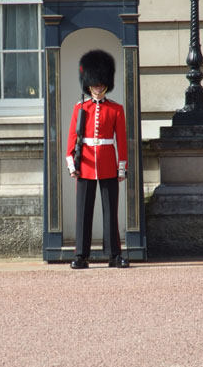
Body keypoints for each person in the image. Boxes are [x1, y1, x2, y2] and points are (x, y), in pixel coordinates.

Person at [66, 49, 129, 269]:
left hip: (108, 163)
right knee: (83, 211)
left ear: (106, 84)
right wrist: (71, 163)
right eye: (95, 84)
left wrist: (122, 167)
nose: (98, 87)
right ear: (88, 84)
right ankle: (81, 255)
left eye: (101, 84)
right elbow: (72, 138)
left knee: (110, 210)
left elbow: (121, 140)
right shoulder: (80, 108)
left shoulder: (116, 110)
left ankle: (114, 255)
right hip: (85, 163)